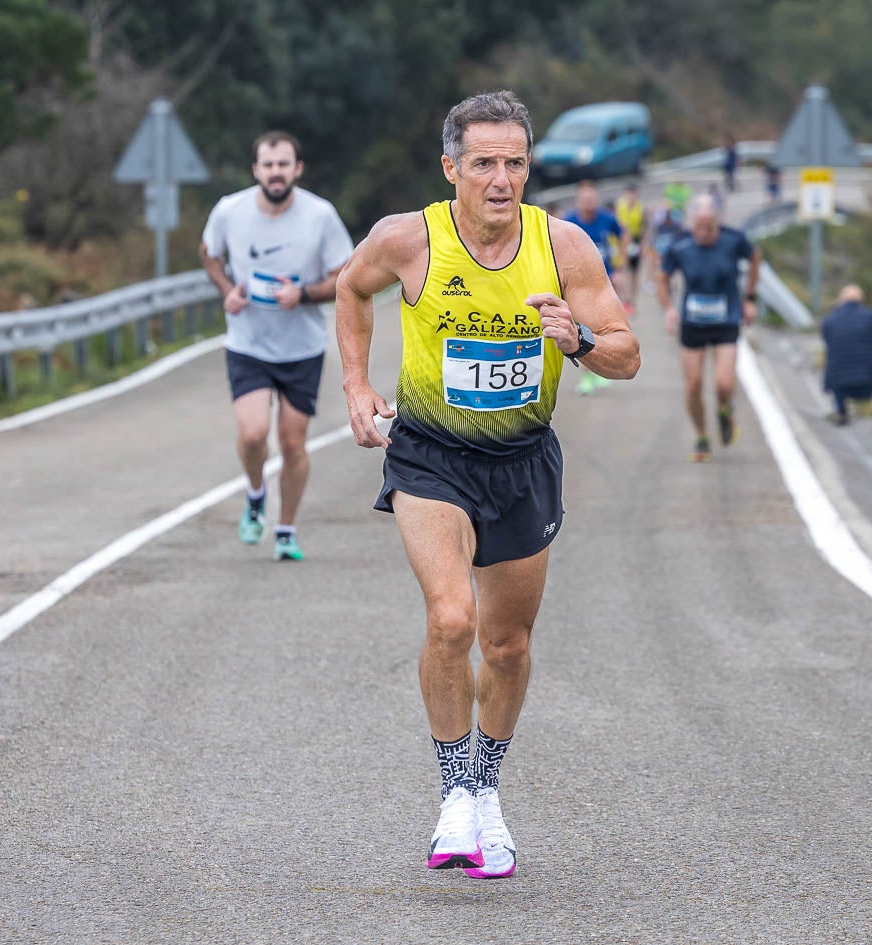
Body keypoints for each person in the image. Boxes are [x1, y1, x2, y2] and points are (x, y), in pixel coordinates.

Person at [335, 90, 638, 880]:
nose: (501, 179)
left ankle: (486, 789)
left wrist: (579, 341)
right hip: (431, 455)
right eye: (483, 163)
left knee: (507, 643)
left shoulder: (563, 246)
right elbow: (348, 289)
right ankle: (451, 798)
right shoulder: (408, 241)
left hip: (522, 462)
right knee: (450, 619)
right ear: (451, 168)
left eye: (514, 163)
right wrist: (357, 386)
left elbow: (626, 353)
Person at [199, 130, 354, 562]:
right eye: (268, 165)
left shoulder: (320, 216)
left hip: (301, 347)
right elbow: (209, 253)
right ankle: (254, 493)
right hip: (248, 342)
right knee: (252, 436)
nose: (275, 172)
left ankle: (285, 529)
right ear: (256, 170)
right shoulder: (230, 210)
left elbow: (345, 276)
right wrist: (228, 289)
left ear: (297, 169)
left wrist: (301, 294)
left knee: (292, 443)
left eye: (284, 164)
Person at [655, 193, 760, 462]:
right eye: (699, 227)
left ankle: (724, 411)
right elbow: (662, 276)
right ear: (691, 224)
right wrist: (669, 309)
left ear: (718, 222)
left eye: (710, 227)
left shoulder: (733, 239)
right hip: (692, 324)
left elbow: (755, 258)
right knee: (693, 387)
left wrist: (750, 299)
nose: (704, 233)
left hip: (726, 320)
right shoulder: (680, 245)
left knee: (723, 384)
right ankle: (702, 436)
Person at [564, 181, 629, 393]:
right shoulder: (569, 223)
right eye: (584, 199)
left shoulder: (607, 220)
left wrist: (620, 267)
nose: (588, 203)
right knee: (583, 328)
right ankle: (587, 376)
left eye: (592, 199)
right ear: (577, 201)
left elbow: (624, 236)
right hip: (578, 284)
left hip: (605, 280)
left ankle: (601, 370)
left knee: (605, 327)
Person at [821, 284, 872, 425]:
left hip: (839, 379)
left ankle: (841, 411)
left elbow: (826, 339)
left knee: (838, 386)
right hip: (869, 376)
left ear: (841, 300)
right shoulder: (871, 316)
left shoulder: (830, 320)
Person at [613, 183, 646, 313]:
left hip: (636, 241)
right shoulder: (620, 206)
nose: (631, 197)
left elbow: (643, 226)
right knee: (623, 271)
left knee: (635, 273)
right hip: (621, 242)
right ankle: (623, 301)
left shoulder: (640, 207)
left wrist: (643, 244)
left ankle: (633, 300)